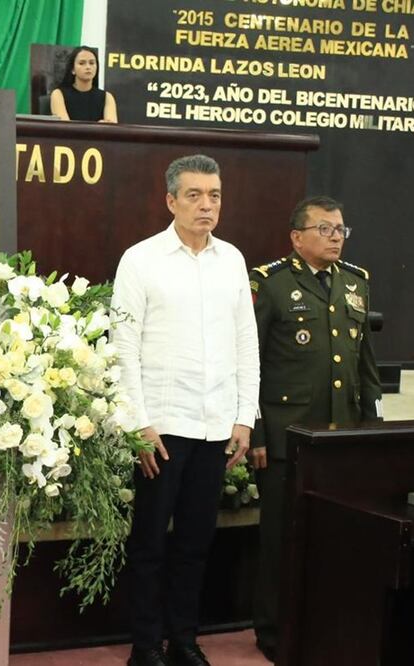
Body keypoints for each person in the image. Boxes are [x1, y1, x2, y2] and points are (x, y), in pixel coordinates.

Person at [112, 154, 258, 666]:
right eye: (194, 195)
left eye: (214, 195)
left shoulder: (232, 260)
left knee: (196, 543)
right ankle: (145, 645)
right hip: (162, 426)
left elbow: (245, 342)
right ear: (170, 200)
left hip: (215, 424)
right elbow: (123, 347)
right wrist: (138, 422)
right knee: (150, 542)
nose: (206, 205)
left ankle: (183, 641)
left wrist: (244, 417)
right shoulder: (141, 260)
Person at [248, 196, 382, 662]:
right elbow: (250, 362)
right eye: (324, 229)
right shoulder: (271, 284)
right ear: (296, 237)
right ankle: (272, 630)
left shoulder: (355, 282)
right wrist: (256, 432)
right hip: (286, 436)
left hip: (340, 436)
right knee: (279, 540)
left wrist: (371, 428)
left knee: (333, 538)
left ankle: (320, 624)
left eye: (341, 229)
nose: (335, 237)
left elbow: (365, 364)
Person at [50, 47, 117, 123]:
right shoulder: (58, 94)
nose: (88, 67)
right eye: (82, 63)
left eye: (92, 63)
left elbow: (111, 127)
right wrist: (98, 126)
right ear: (72, 69)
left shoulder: (107, 97)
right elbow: (66, 127)